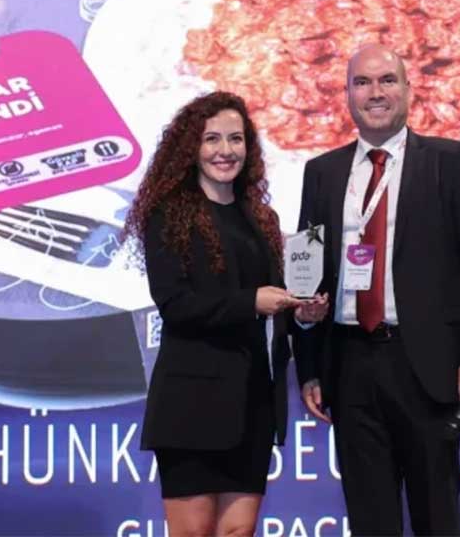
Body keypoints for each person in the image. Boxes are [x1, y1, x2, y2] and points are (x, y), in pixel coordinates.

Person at [292, 44, 460, 536]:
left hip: (426, 367)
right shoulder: (321, 173)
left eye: (387, 80)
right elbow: (306, 275)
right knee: (370, 522)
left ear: (409, 90)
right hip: (349, 367)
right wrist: (309, 366)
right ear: (346, 94)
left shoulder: (450, 162)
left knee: (437, 519)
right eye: (362, 82)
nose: (375, 93)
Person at [124, 91, 328, 537]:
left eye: (236, 139)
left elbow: (279, 301)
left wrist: (305, 314)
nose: (225, 150)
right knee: (193, 532)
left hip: (252, 399)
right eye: (212, 138)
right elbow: (175, 305)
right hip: (190, 400)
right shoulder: (168, 216)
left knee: (239, 531)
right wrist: (250, 302)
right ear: (191, 148)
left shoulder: (262, 219)